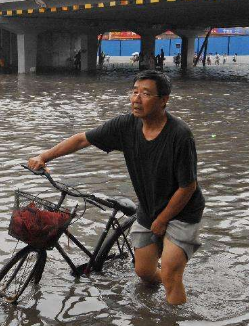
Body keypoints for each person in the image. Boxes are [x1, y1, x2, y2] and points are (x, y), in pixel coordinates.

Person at [28, 70, 204, 306]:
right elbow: (82, 139)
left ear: (164, 100)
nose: (136, 99)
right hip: (149, 207)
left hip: (181, 211)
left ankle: (174, 307)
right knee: (143, 272)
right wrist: (44, 156)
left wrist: (162, 221)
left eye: (146, 94)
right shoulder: (125, 126)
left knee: (172, 273)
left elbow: (188, 187)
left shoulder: (180, 135)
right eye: (134, 92)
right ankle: (158, 302)